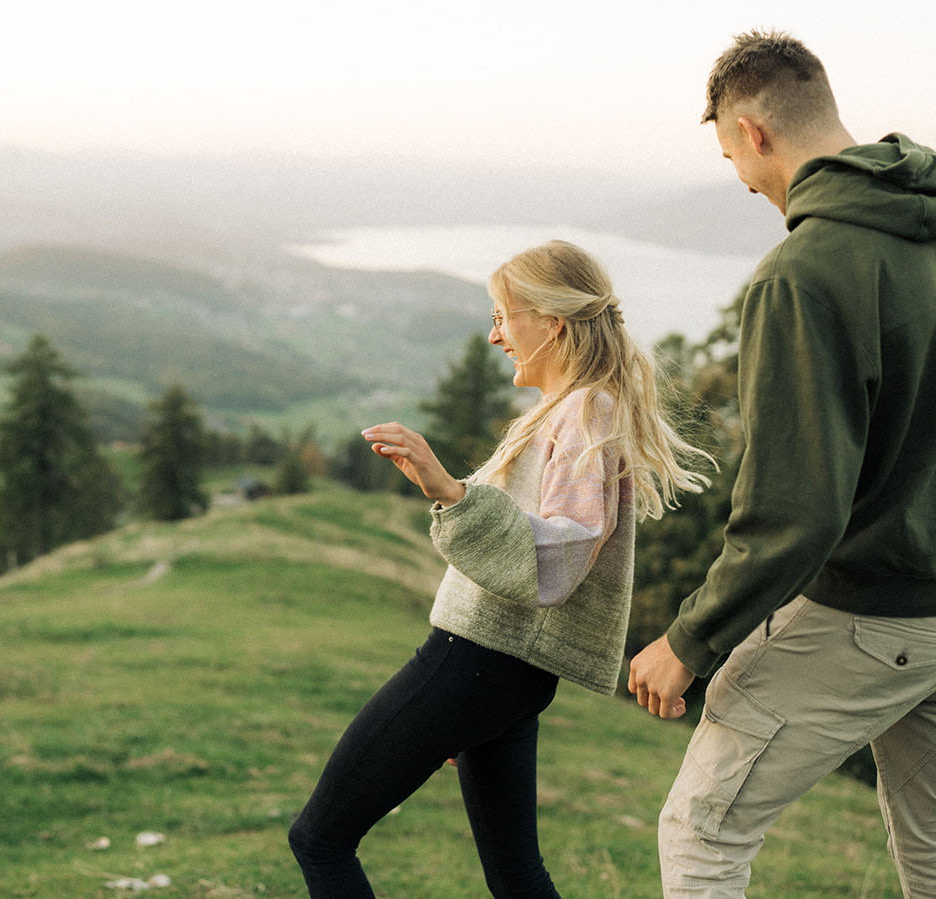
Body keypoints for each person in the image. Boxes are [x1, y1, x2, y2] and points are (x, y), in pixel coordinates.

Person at [627, 30, 936, 897]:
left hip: (879, 611)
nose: (742, 179)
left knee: (701, 830)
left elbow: (794, 511)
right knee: (935, 844)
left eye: (731, 154)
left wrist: (689, 640)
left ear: (756, 133)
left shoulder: (800, 275)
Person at [289, 240, 711, 897]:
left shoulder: (585, 411)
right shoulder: (572, 406)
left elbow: (567, 550)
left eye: (501, 316)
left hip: (478, 659)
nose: (494, 335)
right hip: (502, 673)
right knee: (516, 874)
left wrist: (450, 491)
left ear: (552, 323)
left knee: (319, 838)